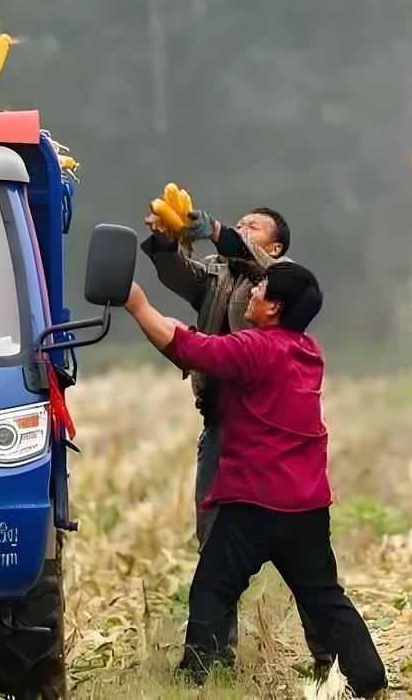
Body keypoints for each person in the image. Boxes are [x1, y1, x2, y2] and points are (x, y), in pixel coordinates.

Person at [122, 262, 388, 698]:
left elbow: (186, 346)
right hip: (305, 507)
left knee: (212, 589)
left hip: (254, 504)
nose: (252, 291)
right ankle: (368, 677)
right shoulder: (307, 352)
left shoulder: (256, 349)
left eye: (261, 288)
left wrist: (136, 303)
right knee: (323, 597)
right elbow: (199, 345)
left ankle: (197, 681)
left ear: (274, 307)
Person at [141, 204, 332, 672]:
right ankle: (214, 657)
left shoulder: (281, 279)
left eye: (253, 228)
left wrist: (215, 230)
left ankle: (328, 655)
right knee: (215, 547)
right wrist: (168, 242)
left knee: (305, 567)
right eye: (239, 222)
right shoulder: (218, 276)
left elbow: (245, 255)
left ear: (275, 247)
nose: (242, 230)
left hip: (265, 426)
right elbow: (180, 275)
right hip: (221, 424)